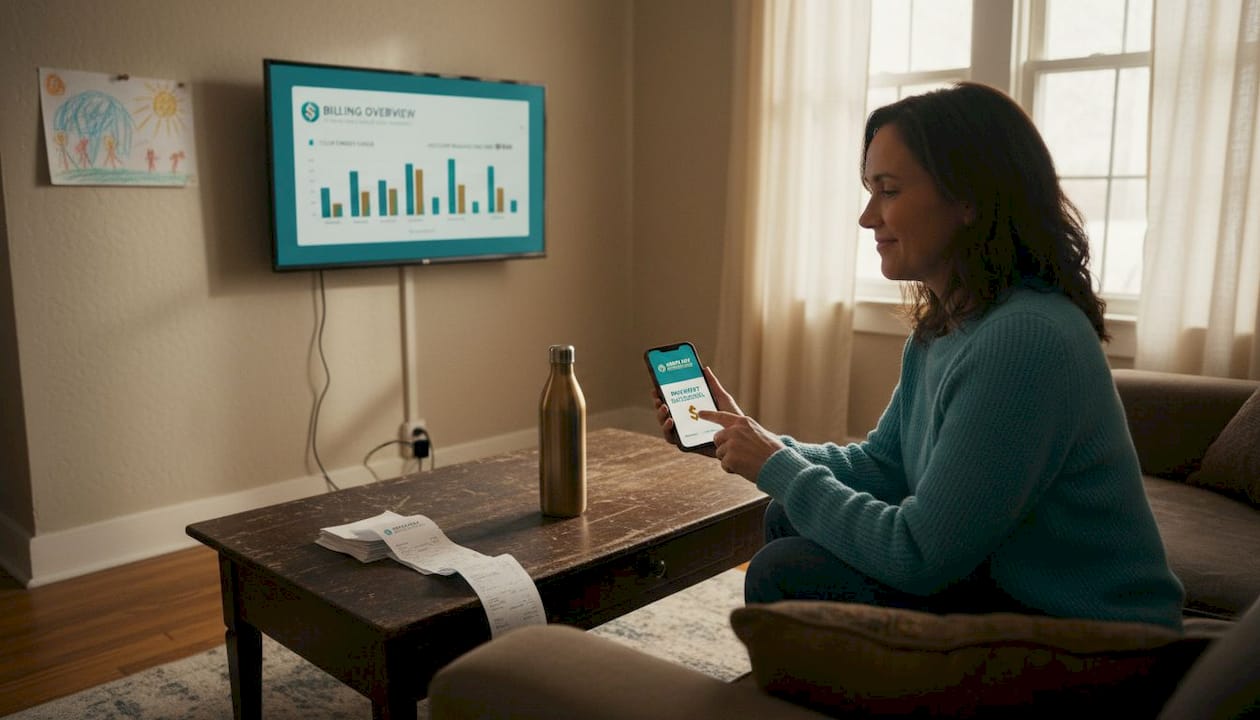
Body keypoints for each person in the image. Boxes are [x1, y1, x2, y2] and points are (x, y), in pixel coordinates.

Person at [654, 82, 1185, 631]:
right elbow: (883, 467)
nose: (867, 218)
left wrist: (776, 465)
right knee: (789, 515)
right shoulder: (947, 324)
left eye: (887, 191)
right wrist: (748, 438)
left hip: (1094, 637)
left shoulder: (1024, 338)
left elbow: (918, 554)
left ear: (968, 199)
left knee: (786, 569)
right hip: (1000, 587)